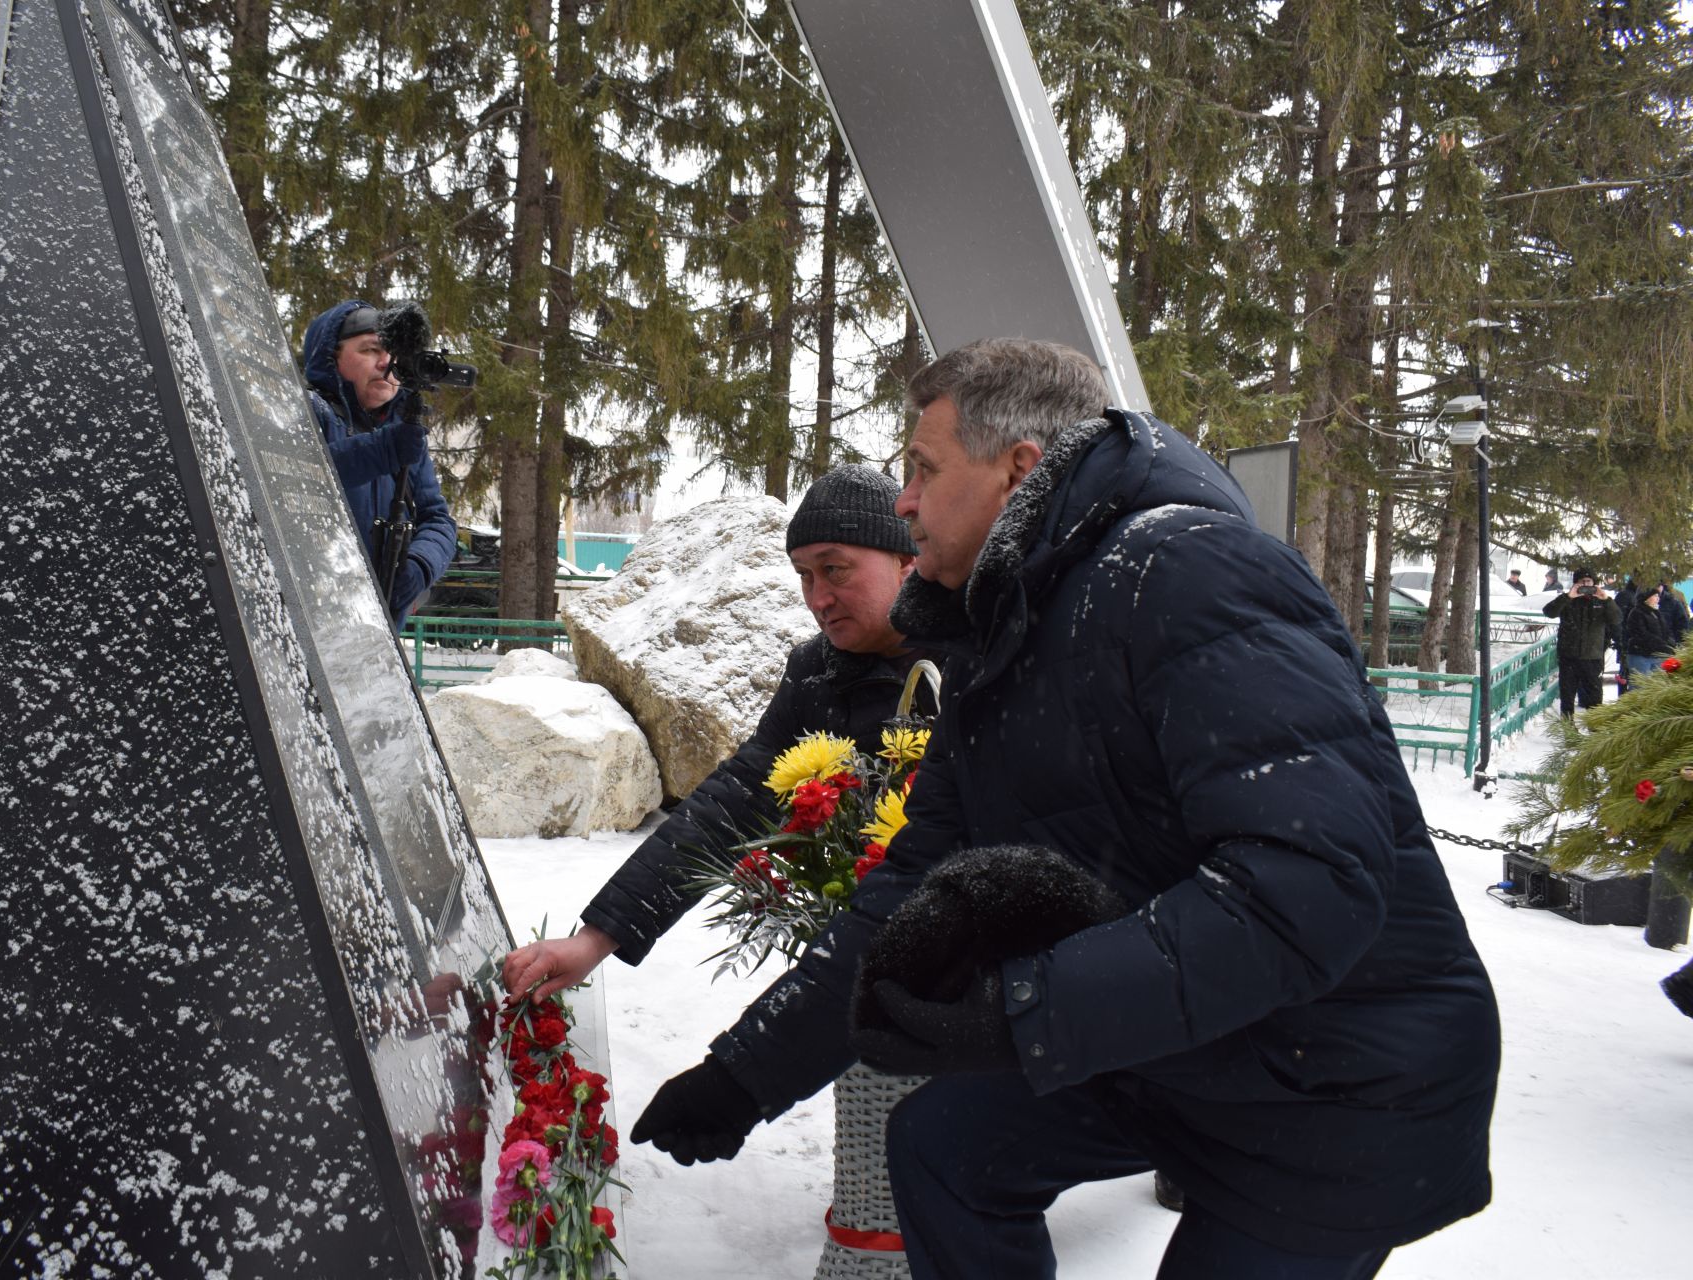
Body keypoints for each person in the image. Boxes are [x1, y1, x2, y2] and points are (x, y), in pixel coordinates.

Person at [633, 339, 1500, 1280]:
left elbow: (1308, 884)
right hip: (1189, 1046)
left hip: (1333, 1079)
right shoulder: (1005, 631)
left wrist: (1025, 1010)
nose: (905, 502)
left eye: (923, 469)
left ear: (1018, 469)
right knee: (943, 1143)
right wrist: (746, 1074)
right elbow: (910, 886)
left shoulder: (1189, 574)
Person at [500, 465, 935, 1021]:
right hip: (868, 982)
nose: (818, 598)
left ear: (907, 560)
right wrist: (596, 939)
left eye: (836, 570)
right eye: (804, 575)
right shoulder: (815, 676)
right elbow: (728, 807)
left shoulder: (973, 660)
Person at [301, 299, 457, 630]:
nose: (386, 362)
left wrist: (419, 565)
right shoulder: (307, 411)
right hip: (315, 626)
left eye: (393, 353)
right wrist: (380, 451)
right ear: (333, 355)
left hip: (379, 635)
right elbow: (299, 480)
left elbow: (438, 520)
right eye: (370, 350)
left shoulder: (403, 433)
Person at [1544, 571, 1621, 717]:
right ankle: (1568, 731)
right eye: (1582, 582)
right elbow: (1549, 612)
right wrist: (1568, 597)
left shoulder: (1601, 602)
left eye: (1589, 582)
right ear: (1575, 583)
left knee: (1595, 698)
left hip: (1593, 657)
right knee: (1567, 697)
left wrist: (1606, 599)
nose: (1586, 586)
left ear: (1594, 584)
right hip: (1569, 657)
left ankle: (1595, 732)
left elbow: (1616, 619)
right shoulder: (1568, 600)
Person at [1624, 584, 1675, 679]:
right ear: (1646, 598)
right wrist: (1661, 644)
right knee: (1641, 687)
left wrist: (1670, 643)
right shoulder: (1636, 613)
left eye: (1658, 596)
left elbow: (1665, 631)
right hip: (1641, 655)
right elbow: (1641, 634)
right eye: (1655, 596)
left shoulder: (1656, 612)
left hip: (1657, 655)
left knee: (1657, 686)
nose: (1658, 599)